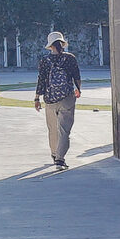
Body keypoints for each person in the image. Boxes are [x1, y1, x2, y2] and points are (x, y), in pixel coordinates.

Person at [34, 31, 82, 169]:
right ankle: (60, 159)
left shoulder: (45, 60)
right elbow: (76, 77)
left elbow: (41, 80)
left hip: (50, 99)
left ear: (50, 46)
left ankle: (55, 154)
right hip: (67, 98)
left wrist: (37, 98)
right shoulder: (70, 58)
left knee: (52, 129)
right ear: (62, 43)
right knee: (64, 130)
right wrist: (78, 89)